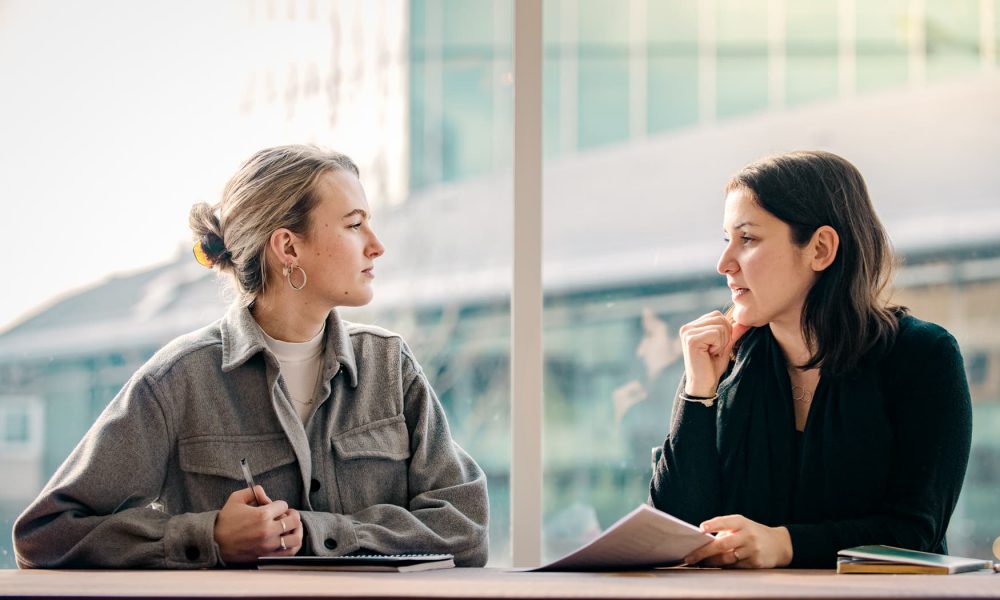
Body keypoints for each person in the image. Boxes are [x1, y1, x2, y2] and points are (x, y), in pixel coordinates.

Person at [13, 145, 489, 568]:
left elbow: (465, 526)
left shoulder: (390, 365)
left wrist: (323, 533)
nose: (376, 246)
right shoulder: (178, 381)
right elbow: (45, 534)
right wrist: (209, 537)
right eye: (354, 225)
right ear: (288, 247)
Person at [648, 150, 972, 569]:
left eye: (747, 239)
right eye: (726, 240)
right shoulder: (725, 362)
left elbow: (914, 531)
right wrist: (698, 394)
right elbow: (675, 532)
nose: (724, 264)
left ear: (820, 249)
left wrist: (786, 544)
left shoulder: (922, 356)